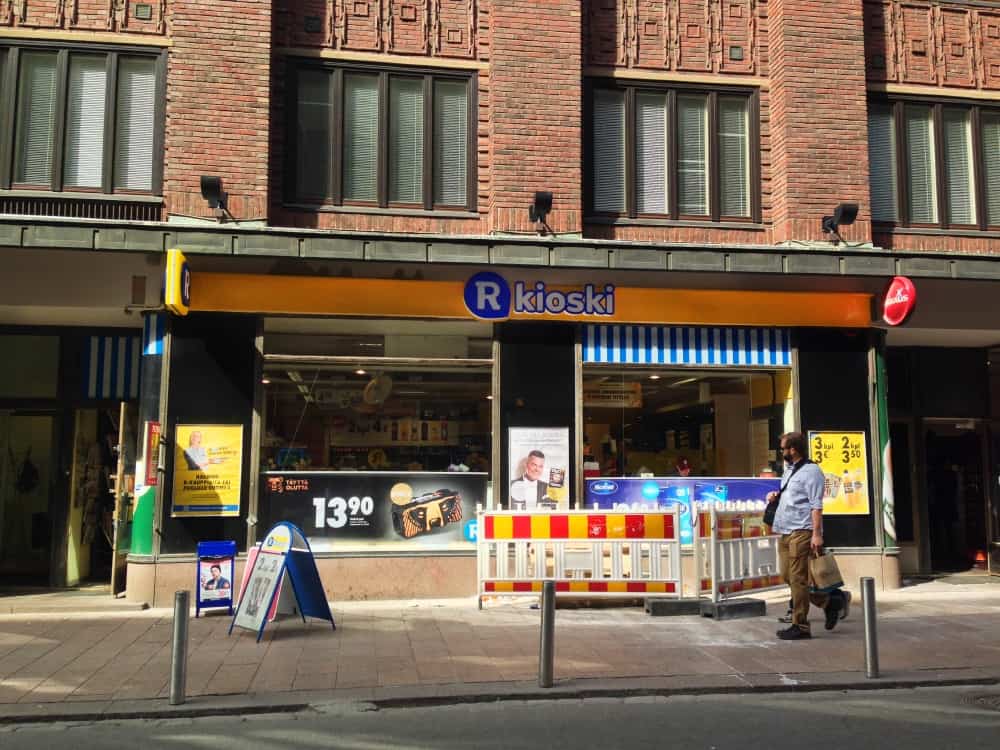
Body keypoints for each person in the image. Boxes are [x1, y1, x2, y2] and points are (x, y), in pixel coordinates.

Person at [769, 431, 850, 640]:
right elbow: (792, 496)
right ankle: (829, 602)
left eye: (783, 448)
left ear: (793, 449)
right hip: (785, 530)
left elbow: (816, 505)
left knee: (798, 579)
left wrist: (816, 534)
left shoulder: (812, 472)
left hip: (802, 530)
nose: (781, 452)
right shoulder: (789, 470)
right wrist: (776, 496)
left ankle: (801, 625)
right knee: (788, 576)